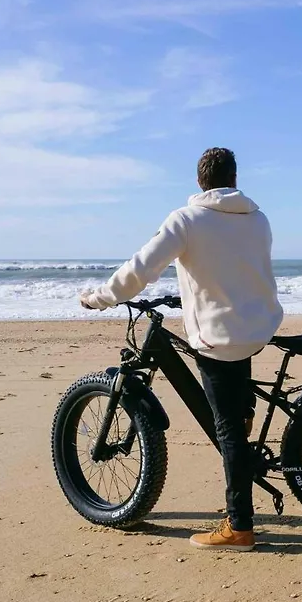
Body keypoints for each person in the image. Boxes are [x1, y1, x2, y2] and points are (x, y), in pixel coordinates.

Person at [79, 147, 283, 551]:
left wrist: (100, 297)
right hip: (255, 328)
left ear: (199, 182)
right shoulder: (258, 219)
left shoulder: (186, 220)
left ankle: (240, 526)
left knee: (226, 429)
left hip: (218, 338)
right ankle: (243, 421)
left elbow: (141, 268)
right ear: (235, 179)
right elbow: (237, 268)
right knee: (235, 406)